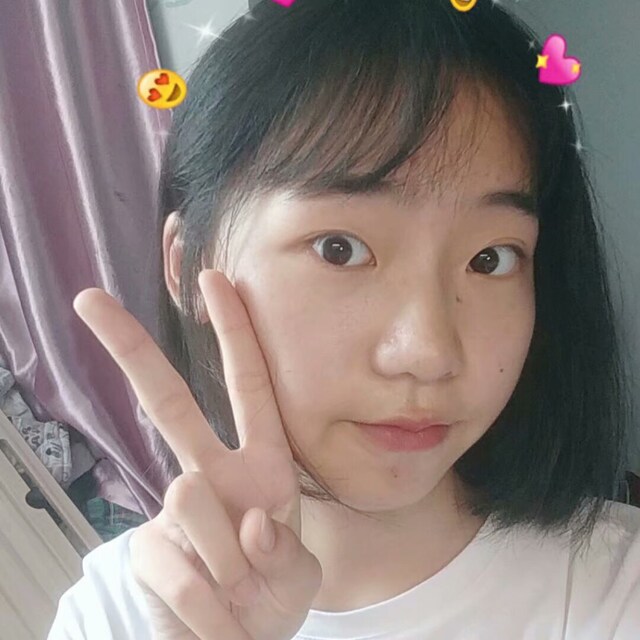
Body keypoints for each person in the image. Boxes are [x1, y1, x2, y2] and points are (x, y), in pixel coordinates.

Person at [48, 0, 640, 638]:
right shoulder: (110, 616)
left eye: (490, 259)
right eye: (340, 249)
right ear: (186, 264)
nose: (428, 352)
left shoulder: (614, 588)